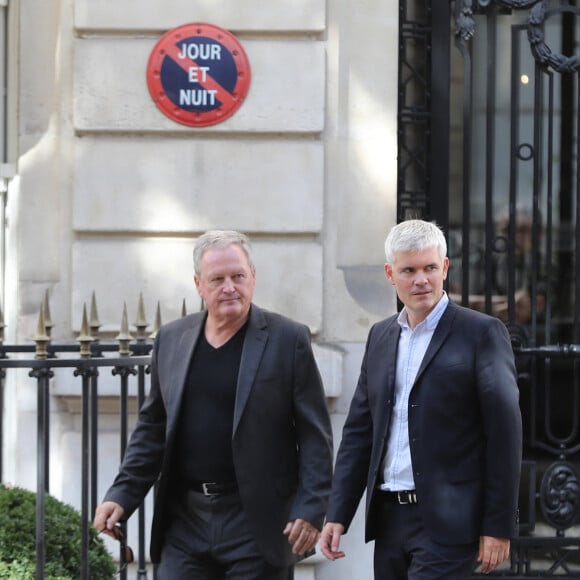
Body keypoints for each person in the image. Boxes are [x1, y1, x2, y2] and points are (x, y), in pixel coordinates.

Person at [94, 230, 333, 579]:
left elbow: (315, 436)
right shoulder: (172, 340)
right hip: (184, 519)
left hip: (257, 522)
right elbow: (153, 428)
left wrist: (312, 508)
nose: (230, 287)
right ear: (199, 285)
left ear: (253, 277)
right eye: (217, 279)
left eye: (238, 276)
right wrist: (122, 495)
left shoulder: (288, 339)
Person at [320, 219, 522, 579]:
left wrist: (498, 524)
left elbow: (504, 435)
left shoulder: (482, 334)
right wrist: (338, 513)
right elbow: (359, 434)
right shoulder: (380, 337)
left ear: (444, 267)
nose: (421, 280)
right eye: (409, 270)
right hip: (388, 520)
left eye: (430, 267)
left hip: (449, 523)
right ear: (390, 273)